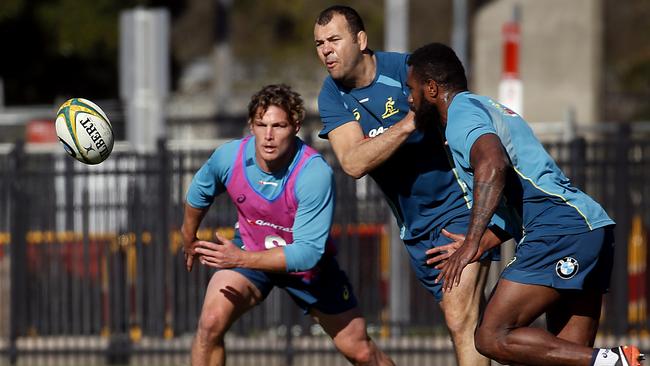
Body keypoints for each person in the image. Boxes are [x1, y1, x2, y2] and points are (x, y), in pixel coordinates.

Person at [406, 42, 644, 366]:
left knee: (491, 335)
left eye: (412, 89)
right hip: (590, 229)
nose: (409, 99)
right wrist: (481, 242)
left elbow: (493, 164)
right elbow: (519, 194)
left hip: (560, 230)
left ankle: (612, 361)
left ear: (432, 89)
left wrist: (472, 240)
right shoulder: (484, 107)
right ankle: (612, 361)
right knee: (566, 359)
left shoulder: (460, 115)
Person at [313, 5, 513, 366]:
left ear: (360, 40)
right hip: (416, 227)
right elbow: (354, 162)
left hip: (460, 205)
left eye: (334, 40)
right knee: (473, 324)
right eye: (319, 43)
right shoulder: (331, 96)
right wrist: (408, 124)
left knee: (459, 315)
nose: (326, 49)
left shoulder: (407, 71)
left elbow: (462, 105)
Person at [182, 84, 395, 366]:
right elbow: (199, 193)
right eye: (261, 124)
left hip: (309, 270)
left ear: (295, 126)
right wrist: (189, 237)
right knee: (210, 323)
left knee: (360, 351)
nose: (268, 136)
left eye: (279, 126)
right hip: (250, 248)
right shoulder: (229, 157)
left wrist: (241, 258)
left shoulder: (313, 172)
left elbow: (307, 253)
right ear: (251, 125)